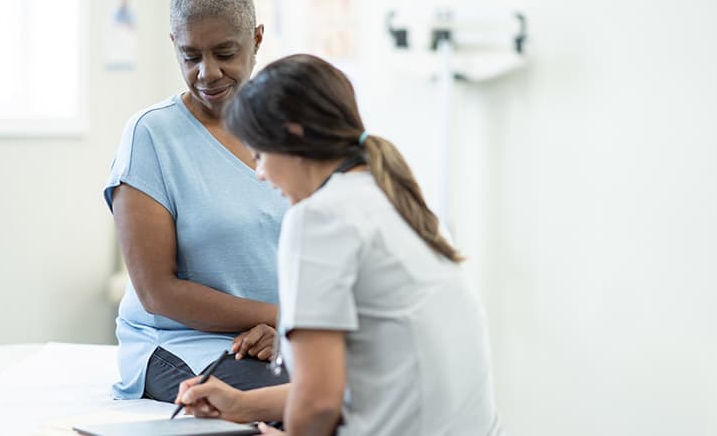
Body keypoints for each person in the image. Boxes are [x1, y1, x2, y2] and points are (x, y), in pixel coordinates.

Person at [175, 54, 504, 435]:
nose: (261, 174)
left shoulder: (318, 219)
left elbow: (318, 405)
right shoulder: (403, 203)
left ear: (294, 134)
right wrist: (243, 405)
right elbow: (355, 385)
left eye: (261, 155)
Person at [103, 0, 289, 402]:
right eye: (190, 56)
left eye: (225, 52)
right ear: (174, 46)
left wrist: (290, 329)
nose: (207, 73)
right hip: (180, 344)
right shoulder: (151, 136)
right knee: (296, 402)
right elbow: (157, 292)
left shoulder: (282, 128)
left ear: (257, 39)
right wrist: (287, 318)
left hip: (273, 338)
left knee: (368, 386)